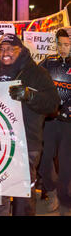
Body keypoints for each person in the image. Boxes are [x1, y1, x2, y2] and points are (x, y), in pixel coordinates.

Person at [0, 33, 60, 216]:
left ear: (21, 50)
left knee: (22, 197)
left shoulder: (37, 73)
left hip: (26, 143)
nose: (4, 53)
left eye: (10, 48)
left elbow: (53, 104)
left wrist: (29, 95)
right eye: (1, 49)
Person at [38, 29, 71, 216]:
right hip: (50, 119)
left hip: (69, 123)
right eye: (60, 44)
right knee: (43, 158)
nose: (63, 48)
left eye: (67, 45)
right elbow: (31, 75)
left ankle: (63, 197)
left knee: (67, 164)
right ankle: (51, 190)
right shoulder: (48, 62)